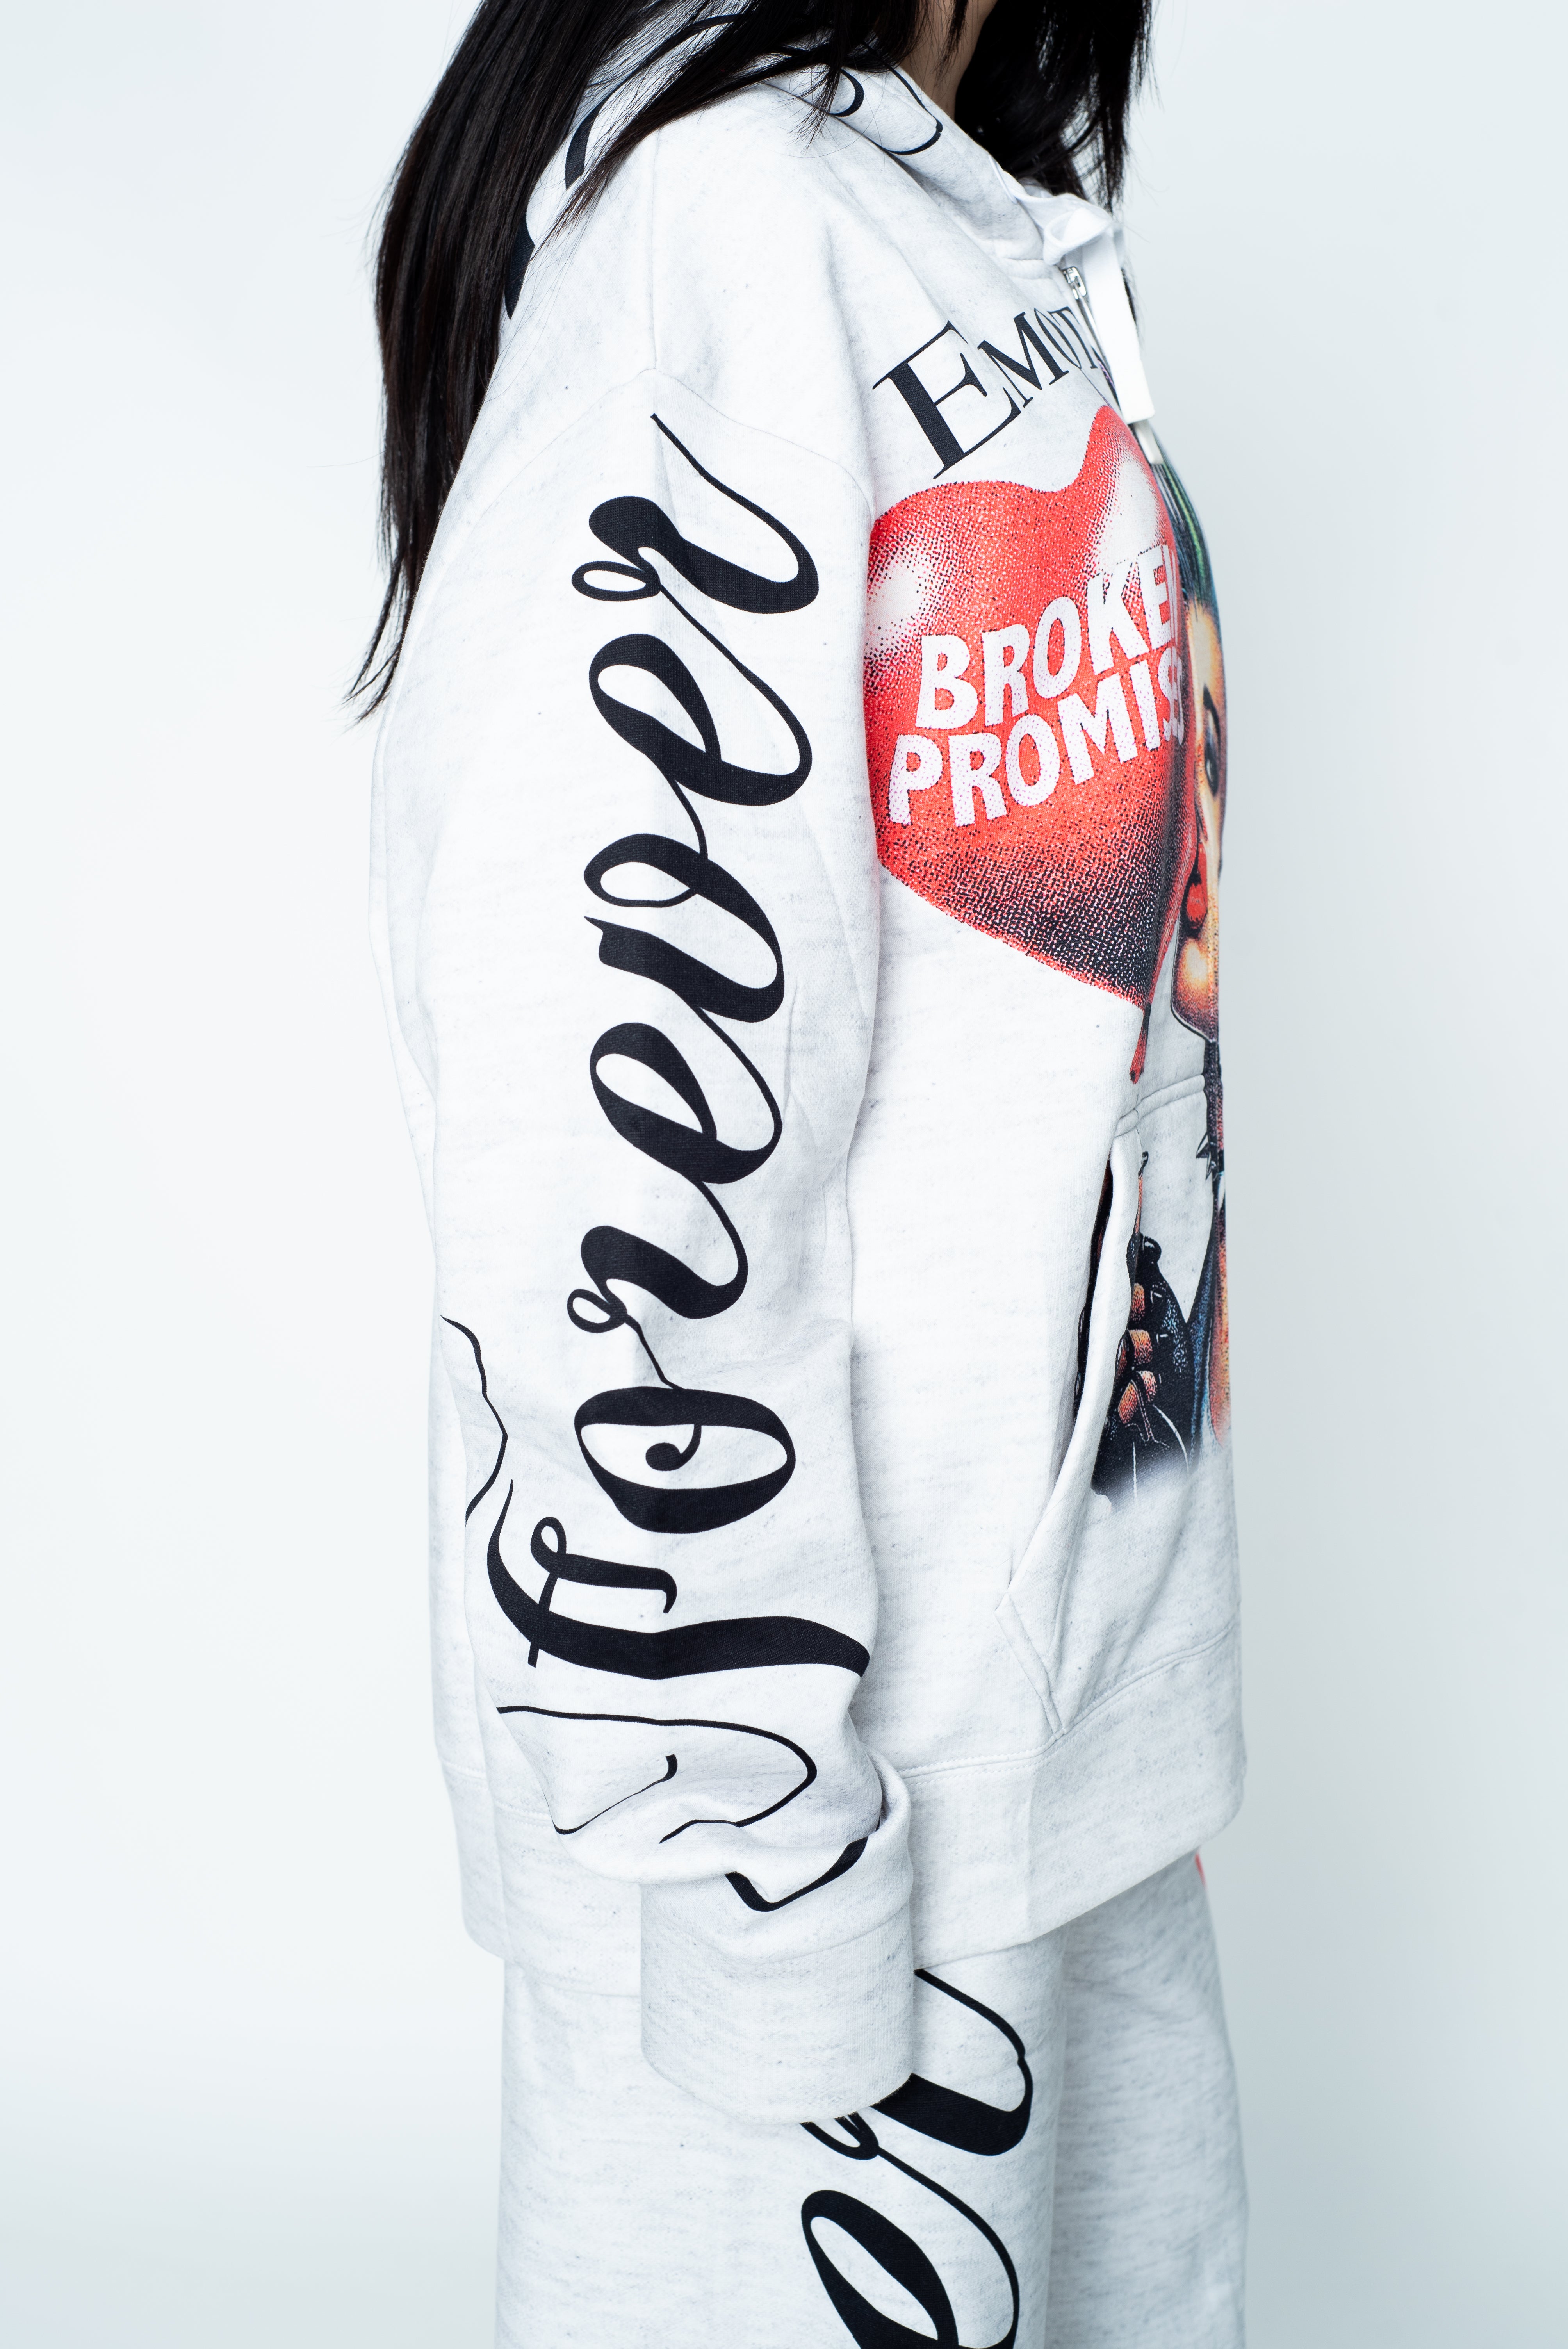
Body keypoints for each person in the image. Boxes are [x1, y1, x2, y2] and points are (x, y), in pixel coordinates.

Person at [362, 0, 1247, 2338]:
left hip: (1059, 1728)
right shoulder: (723, 229)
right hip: (828, 1810)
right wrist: (759, 1840)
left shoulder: (972, 219)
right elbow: (601, 1103)